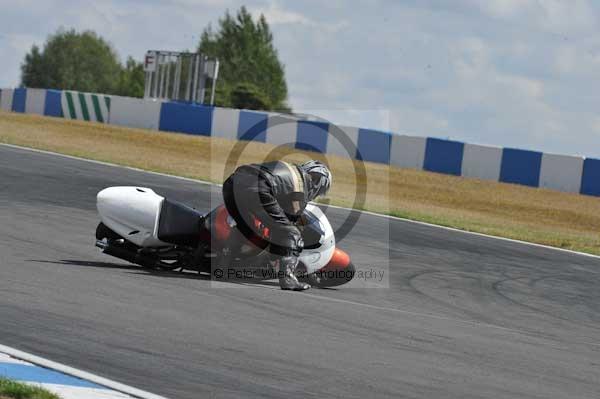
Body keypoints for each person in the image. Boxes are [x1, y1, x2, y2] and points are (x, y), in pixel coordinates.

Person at [222, 160, 332, 291]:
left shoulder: (290, 169)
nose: (317, 194)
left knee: (244, 226)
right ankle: (287, 278)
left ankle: (221, 267)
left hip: (232, 183)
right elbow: (289, 223)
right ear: (318, 182)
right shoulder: (300, 188)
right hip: (258, 188)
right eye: (321, 191)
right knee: (292, 233)